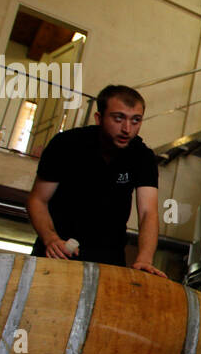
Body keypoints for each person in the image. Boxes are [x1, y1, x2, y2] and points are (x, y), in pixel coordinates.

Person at [26, 84, 167, 277]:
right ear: (99, 118)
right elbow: (37, 200)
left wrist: (144, 259)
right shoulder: (66, 144)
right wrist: (50, 239)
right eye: (119, 119)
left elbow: (147, 213)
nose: (127, 129)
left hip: (109, 257)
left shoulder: (142, 157)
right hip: (58, 251)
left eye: (135, 121)